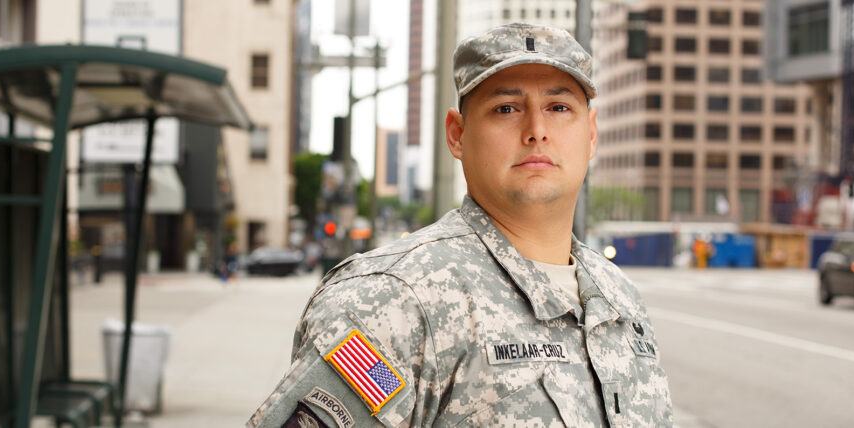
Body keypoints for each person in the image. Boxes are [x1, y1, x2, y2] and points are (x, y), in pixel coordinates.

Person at [249, 23, 672, 427]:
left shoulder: (618, 298)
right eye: (506, 108)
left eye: (559, 108)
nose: (537, 130)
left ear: (592, 135)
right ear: (457, 134)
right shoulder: (393, 301)